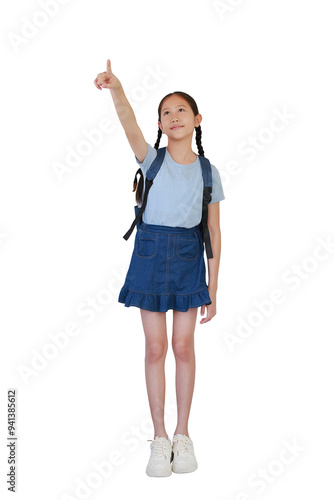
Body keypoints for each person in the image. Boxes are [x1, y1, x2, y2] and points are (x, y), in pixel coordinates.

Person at [94, 60, 225, 477]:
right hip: (150, 253)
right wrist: (116, 88)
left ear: (197, 119)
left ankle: (183, 436)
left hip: (188, 258)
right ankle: (158, 437)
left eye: (181, 110)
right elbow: (127, 119)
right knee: (155, 348)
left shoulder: (208, 172)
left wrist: (214, 287)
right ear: (160, 123)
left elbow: (214, 233)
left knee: (184, 347)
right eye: (166, 112)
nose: (173, 116)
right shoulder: (151, 160)